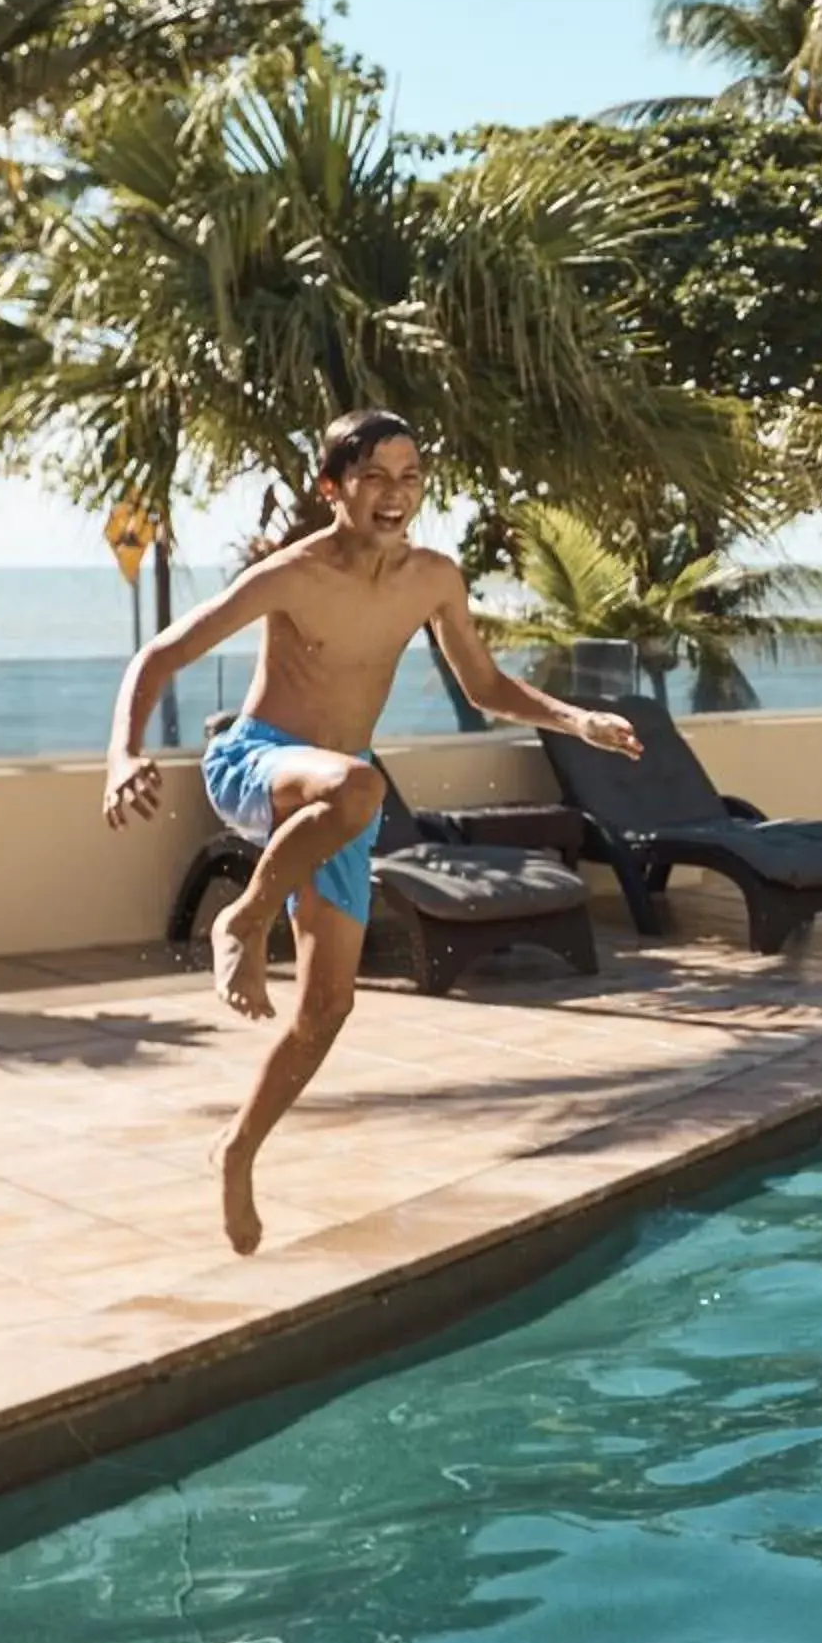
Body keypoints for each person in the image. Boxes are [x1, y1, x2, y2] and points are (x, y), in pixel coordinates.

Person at [101, 408, 643, 1254]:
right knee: (360, 783)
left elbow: (487, 685)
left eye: (411, 477)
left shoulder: (434, 578)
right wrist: (121, 753)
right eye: (374, 478)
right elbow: (159, 655)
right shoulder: (292, 574)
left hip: (337, 800)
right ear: (333, 489)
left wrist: (577, 719)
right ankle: (243, 918)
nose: (396, 495)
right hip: (259, 763)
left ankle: (237, 1149)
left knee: (328, 1006)